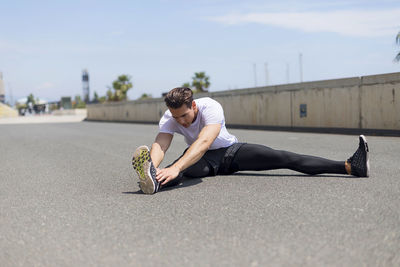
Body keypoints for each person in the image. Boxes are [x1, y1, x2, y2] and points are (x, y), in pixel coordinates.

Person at [132, 87, 369, 194]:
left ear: (193, 105)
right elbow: (161, 144)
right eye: (176, 117)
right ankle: (152, 181)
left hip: (231, 152)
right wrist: (151, 166)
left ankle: (349, 166)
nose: (181, 122)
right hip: (203, 159)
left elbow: (204, 142)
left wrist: (175, 166)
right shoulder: (170, 116)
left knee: (283, 157)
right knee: (181, 172)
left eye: (184, 115)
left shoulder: (210, 107)